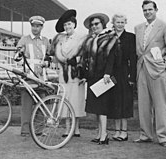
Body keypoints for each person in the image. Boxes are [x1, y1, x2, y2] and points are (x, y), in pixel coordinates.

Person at [134, 0, 166, 147]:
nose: (147, 12)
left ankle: (162, 137)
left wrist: (165, 66)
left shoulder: (165, 26)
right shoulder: (138, 28)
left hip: (158, 71)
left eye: (150, 9)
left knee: (159, 105)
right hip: (141, 69)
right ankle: (145, 135)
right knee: (143, 105)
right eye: (145, 10)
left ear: (156, 10)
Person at [79, 13, 117, 145]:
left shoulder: (110, 38)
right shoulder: (90, 40)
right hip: (92, 76)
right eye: (92, 25)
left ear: (103, 25)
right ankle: (100, 133)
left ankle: (104, 134)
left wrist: (107, 73)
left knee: (102, 107)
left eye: (97, 24)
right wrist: (84, 75)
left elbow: (111, 58)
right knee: (96, 108)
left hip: (103, 77)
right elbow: (86, 60)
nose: (94, 26)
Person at [51, 9, 87, 137]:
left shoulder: (81, 39)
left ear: (74, 25)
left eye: (70, 24)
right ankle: (67, 128)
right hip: (64, 74)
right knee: (65, 99)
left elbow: (84, 56)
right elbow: (56, 56)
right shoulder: (60, 39)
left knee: (76, 100)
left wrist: (76, 61)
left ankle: (76, 128)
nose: (68, 27)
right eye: (65, 25)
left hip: (76, 73)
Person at [14, 15, 51, 137]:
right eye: (33, 26)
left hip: (41, 77)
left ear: (42, 27)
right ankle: (25, 131)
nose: (35, 28)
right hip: (28, 76)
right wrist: (19, 54)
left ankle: (39, 130)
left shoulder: (45, 40)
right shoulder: (24, 39)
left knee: (42, 102)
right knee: (26, 104)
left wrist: (47, 62)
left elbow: (49, 57)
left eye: (38, 26)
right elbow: (17, 57)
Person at [109, 13, 137, 141]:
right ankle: (116, 130)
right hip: (112, 72)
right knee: (114, 100)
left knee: (125, 101)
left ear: (125, 23)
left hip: (125, 71)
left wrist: (132, 76)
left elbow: (133, 58)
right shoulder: (109, 36)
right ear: (113, 23)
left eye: (122, 22)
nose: (119, 24)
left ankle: (124, 132)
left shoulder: (131, 37)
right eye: (117, 22)